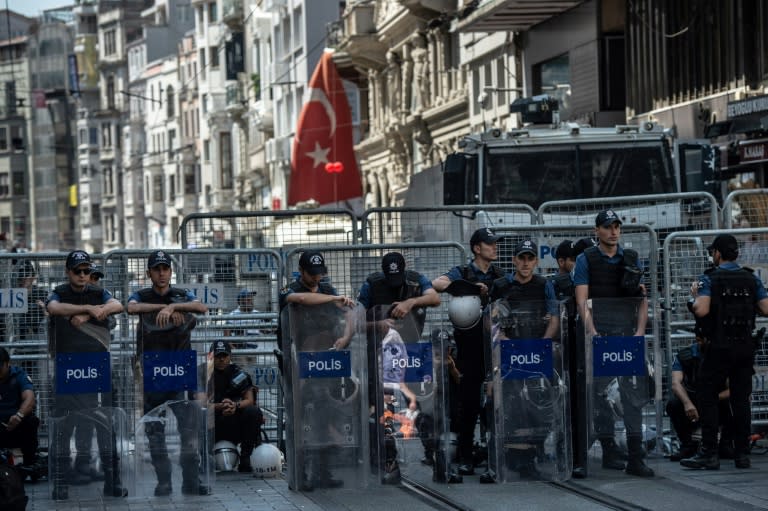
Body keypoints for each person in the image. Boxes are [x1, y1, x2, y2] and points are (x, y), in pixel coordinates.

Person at [574, 210, 654, 477]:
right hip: (599, 337)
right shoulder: (586, 259)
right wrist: (593, 333)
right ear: (597, 230)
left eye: (617, 226)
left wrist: (640, 332)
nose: (614, 231)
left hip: (626, 336)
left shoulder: (630, 258)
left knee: (633, 397)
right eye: (608, 227)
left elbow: (642, 299)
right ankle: (608, 450)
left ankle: (635, 457)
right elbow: (582, 301)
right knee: (598, 398)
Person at [126, 249, 210, 496]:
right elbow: (130, 307)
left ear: (171, 272)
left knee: (188, 430)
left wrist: (172, 306)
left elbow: (201, 306)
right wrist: (162, 308)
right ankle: (163, 481)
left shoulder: (181, 294)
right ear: (149, 273)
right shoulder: (140, 294)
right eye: (157, 269)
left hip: (180, 370)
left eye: (165, 269)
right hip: (153, 371)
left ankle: (191, 481)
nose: (162, 274)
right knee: (155, 430)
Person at [681, 234, 768, 470]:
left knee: (706, 396)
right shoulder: (751, 278)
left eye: (713, 252)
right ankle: (742, 454)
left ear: (718, 253)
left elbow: (701, 310)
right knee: (741, 401)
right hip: (743, 349)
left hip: (717, 347)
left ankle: (709, 452)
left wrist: (693, 296)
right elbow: (766, 308)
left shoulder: (709, 278)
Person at [47, 250, 127, 499]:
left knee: (105, 424)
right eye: (77, 271)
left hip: (96, 365)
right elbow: (53, 307)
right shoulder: (60, 291)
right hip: (67, 365)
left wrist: (91, 310)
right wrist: (87, 309)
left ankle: (112, 481)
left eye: (86, 271)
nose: (83, 275)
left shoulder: (98, 292)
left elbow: (118, 305)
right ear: (68, 272)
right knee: (64, 426)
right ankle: (60, 483)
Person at [358, 252, 440, 482]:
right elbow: (355, 319)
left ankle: (434, 452)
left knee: (425, 403)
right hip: (382, 352)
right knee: (384, 408)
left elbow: (435, 298)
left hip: (412, 350)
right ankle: (388, 457)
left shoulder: (416, 280)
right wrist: (378, 323)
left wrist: (410, 302)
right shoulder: (372, 285)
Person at [483, 239, 559, 482]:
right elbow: (490, 320)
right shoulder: (500, 285)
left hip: (536, 351)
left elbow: (555, 317)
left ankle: (530, 456)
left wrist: (544, 343)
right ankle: (505, 456)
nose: (526, 263)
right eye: (521, 258)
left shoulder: (545, 284)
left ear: (536, 261)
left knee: (539, 405)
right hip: (509, 351)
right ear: (514, 260)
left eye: (530, 258)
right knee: (509, 404)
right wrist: (502, 340)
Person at [432, 227, 505, 476]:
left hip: (495, 345)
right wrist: (467, 286)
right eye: (490, 243)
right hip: (468, 347)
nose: (495, 247)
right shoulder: (462, 272)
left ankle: (494, 452)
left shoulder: (499, 275)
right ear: (476, 248)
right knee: (468, 404)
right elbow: (437, 283)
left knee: (496, 402)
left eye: (495, 243)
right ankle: (465, 457)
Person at [279, 250, 355, 490]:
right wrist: (332, 299)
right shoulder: (289, 289)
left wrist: (345, 335)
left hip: (326, 360)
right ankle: (299, 474)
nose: (316, 279)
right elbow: (298, 300)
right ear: (301, 272)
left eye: (319, 274)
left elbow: (350, 311)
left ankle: (323, 471)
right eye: (311, 274)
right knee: (299, 419)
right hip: (298, 361)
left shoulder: (328, 290)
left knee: (326, 416)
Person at [549, 238, 593, 479]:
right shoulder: (557, 283)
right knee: (565, 402)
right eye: (576, 260)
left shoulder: (590, 279)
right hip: (564, 350)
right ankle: (565, 448)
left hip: (588, 346)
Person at [667, 323, 733, 462]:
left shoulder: (723, 355)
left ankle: (725, 444)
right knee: (673, 404)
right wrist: (687, 404)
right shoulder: (686, 356)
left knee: (735, 402)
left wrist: (712, 399)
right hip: (694, 398)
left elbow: (733, 388)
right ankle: (687, 445)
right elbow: (675, 383)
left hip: (716, 398)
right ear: (699, 340)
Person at [208, 340, 262, 473]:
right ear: (211, 356)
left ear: (229, 356)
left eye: (224, 356)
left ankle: (245, 458)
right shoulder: (204, 374)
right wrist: (221, 406)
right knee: (198, 411)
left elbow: (249, 400)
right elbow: (200, 402)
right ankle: (203, 460)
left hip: (234, 422)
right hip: (212, 425)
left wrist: (235, 405)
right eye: (217, 356)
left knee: (253, 412)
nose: (221, 359)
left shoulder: (239, 373)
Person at [0, 347, 40, 477]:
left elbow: (30, 398)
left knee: (31, 421)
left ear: (7, 363)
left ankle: (29, 464)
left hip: (16, 424)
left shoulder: (18, 375)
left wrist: (18, 416)